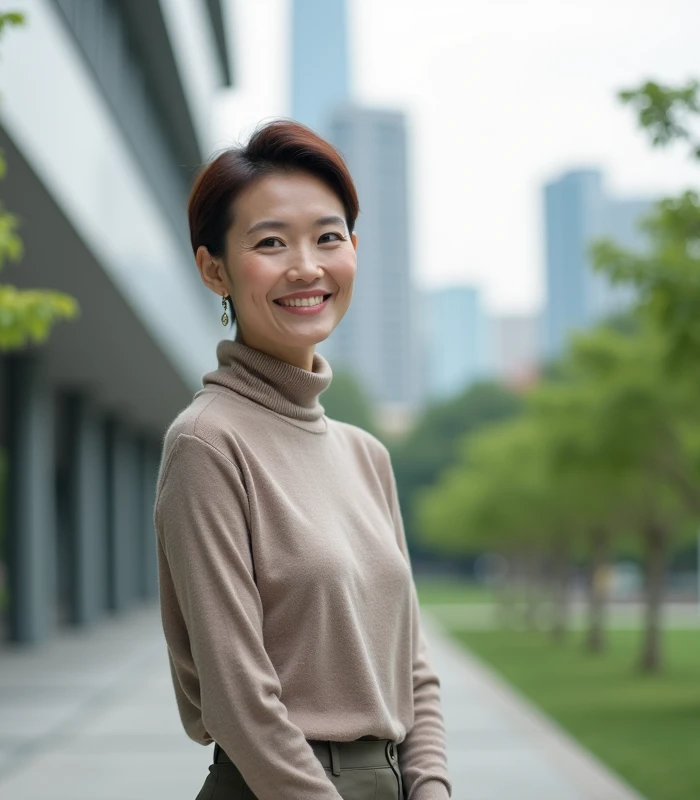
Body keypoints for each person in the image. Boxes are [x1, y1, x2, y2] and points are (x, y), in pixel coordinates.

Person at [153, 120, 451, 800]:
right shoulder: (207, 444)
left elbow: (413, 667)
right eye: (270, 243)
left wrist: (431, 787)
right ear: (214, 269)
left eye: (327, 236)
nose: (307, 266)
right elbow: (239, 702)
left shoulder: (365, 455)